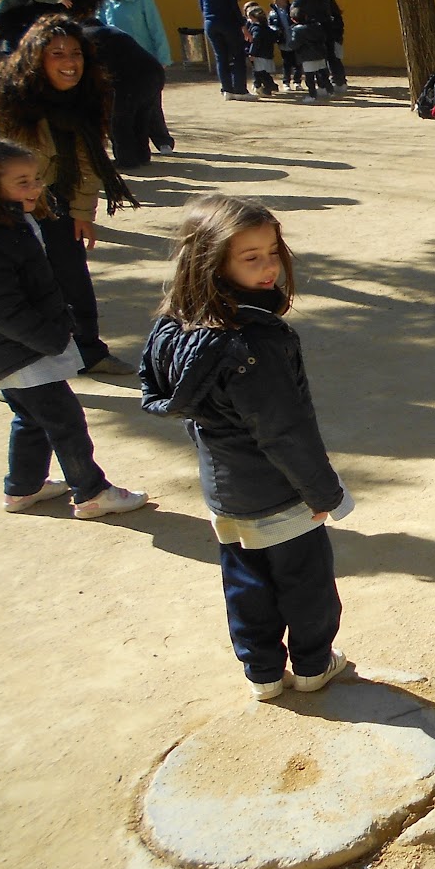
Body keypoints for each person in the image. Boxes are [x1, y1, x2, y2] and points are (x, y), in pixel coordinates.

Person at [140, 194, 352, 702]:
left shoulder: (176, 326)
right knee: (306, 585)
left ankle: (262, 673)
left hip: (226, 491)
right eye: (251, 257)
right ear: (210, 262)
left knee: (246, 584)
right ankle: (312, 666)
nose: (269, 267)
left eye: (273, 252)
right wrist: (324, 492)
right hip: (281, 493)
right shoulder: (253, 343)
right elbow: (283, 431)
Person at [0, 129, 147, 519]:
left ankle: (23, 488)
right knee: (65, 421)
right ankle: (91, 492)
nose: (35, 187)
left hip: (20, 348)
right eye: (23, 182)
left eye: (36, 178)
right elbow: (2, 311)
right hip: (18, 351)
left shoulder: (10, 223)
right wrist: (51, 338)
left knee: (31, 418)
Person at [0, 15, 139, 375]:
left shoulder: (86, 95)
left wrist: (82, 211)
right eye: (57, 53)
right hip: (3, 204)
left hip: (55, 198)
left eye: (76, 53)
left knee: (72, 277)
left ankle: (89, 352)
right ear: (35, 57)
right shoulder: (2, 94)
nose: (70, 62)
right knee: (14, 286)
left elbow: (89, 157)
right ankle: (14, 372)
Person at [55, 0, 168, 172]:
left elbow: (155, 27)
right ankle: (142, 155)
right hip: (150, 72)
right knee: (140, 117)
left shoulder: (86, 36)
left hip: (134, 77)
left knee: (119, 119)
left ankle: (127, 160)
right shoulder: (105, 29)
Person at [98, 0, 176, 156]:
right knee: (124, 105)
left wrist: (162, 57)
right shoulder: (105, 0)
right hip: (118, 60)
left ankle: (163, 140)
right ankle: (135, 146)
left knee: (151, 102)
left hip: (144, 58)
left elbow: (155, 27)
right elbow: (100, 27)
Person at [198, 0, 250, 100]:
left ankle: (227, 90)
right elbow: (233, 6)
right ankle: (240, 90)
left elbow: (202, 5)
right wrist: (243, 25)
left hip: (210, 23)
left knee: (220, 57)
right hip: (228, 23)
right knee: (238, 56)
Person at [289, 7, 333, 103]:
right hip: (320, 53)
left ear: (293, 19)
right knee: (323, 74)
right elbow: (324, 37)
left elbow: (294, 44)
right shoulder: (317, 25)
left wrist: (290, 44)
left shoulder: (297, 30)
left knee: (309, 77)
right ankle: (329, 91)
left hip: (307, 56)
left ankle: (312, 95)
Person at [244, 2, 279, 96]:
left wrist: (252, 53)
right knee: (263, 72)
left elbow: (255, 41)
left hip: (259, 54)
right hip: (267, 53)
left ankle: (268, 88)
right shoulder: (266, 28)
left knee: (261, 73)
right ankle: (270, 86)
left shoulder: (256, 29)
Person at [270, 0, 300, 90]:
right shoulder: (273, 13)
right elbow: (271, 25)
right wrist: (276, 32)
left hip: (294, 39)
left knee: (297, 62)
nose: (283, 0)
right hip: (283, 40)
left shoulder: (291, 9)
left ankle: (297, 81)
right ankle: (286, 82)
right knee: (287, 62)